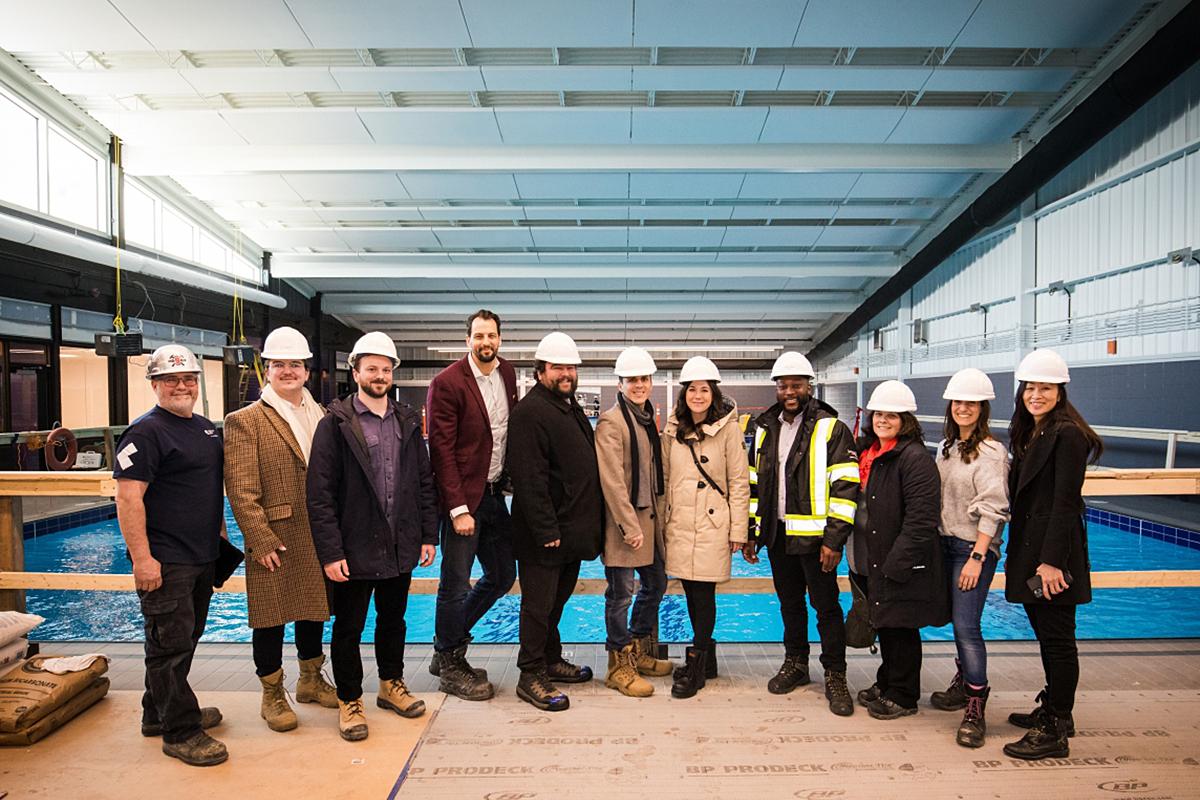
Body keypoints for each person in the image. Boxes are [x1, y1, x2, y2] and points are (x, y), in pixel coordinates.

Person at [306, 331, 439, 741]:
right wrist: (331, 552)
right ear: (356, 371)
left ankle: (390, 685)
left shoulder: (407, 421)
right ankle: (349, 699)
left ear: (392, 373)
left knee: (393, 621)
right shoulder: (335, 425)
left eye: (385, 369)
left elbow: (423, 482)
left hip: (399, 543)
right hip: (354, 545)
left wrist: (427, 535)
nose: (379, 375)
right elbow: (320, 493)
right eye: (372, 368)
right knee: (348, 628)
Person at [113, 344, 228, 767]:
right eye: (171, 379)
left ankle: (155, 713)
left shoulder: (204, 428)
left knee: (183, 638)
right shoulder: (146, 433)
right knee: (169, 646)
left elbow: (207, 488)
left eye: (189, 379)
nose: (182, 386)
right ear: (156, 384)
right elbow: (128, 499)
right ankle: (180, 731)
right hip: (166, 559)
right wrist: (143, 560)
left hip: (200, 556)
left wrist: (219, 537)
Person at [224, 326, 338, 733]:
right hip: (276, 533)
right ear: (266, 371)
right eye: (279, 365)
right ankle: (272, 693)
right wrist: (259, 539)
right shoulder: (245, 421)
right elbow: (240, 487)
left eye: (295, 364)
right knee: (270, 616)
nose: (288, 371)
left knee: (313, 609)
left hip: (319, 531)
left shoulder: (323, 415)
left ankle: (310, 680)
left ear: (306, 371)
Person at [744, 351, 858, 716]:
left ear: (809, 386)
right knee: (789, 605)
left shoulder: (831, 428)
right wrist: (752, 531)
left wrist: (833, 540)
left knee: (826, 609)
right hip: (778, 536)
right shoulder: (765, 429)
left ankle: (835, 675)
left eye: (796, 384)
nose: (789, 391)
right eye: (783, 385)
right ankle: (796, 663)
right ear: (777, 389)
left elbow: (845, 487)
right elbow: (753, 484)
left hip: (816, 541)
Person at [1003, 348, 1102, 760]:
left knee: (1059, 640)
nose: (1036, 395)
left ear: (1060, 392)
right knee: (1048, 636)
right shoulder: (1033, 432)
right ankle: (1056, 709)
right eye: (1030, 387)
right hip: (1033, 549)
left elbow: (1065, 503)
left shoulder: (1068, 435)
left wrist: (1051, 562)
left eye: (1045, 388)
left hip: (1051, 557)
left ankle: (1056, 727)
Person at [506, 331, 604, 711]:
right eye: (558, 367)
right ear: (541, 370)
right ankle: (530, 674)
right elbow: (528, 478)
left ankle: (549, 657)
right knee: (538, 605)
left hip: (570, 533)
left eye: (570, 367)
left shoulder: (567, 406)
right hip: (544, 535)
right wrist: (546, 530)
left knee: (556, 603)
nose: (566, 373)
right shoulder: (530, 413)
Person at [426, 309, 518, 701]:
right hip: (464, 500)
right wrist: (458, 508)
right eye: (479, 336)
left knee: (502, 575)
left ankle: (446, 644)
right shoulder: (447, 383)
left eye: (492, 335)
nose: (486, 342)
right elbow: (441, 450)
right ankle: (450, 661)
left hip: (496, 494)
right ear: (468, 340)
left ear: (500, 339)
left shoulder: (508, 374)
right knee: (454, 584)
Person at [850, 380, 947, 720]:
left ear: (906, 420)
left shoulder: (914, 458)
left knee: (901, 627)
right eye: (879, 414)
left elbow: (922, 518)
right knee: (886, 623)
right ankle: (887, 681)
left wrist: (898, 561)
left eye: (892, 416)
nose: (883, 420)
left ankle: (904, 695)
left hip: (895, 559)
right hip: (869, 557)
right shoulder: (870, 453)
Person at [662, 356, 750, 699]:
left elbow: (739, 482)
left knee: (704, 594)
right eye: (692, 389)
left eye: (704, 389)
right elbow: (666, 480)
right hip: (681, 522)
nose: (697, 396)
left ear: (714, 393)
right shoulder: (672, 429)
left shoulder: (729, 429)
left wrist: (738, 532)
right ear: (683, 393)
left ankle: (696, 665)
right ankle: (705, 659)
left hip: (713, 522)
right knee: (690, 594)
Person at [931, 368, 1009, 748]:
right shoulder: (946, 449)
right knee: (953, 622)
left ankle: (976, 704)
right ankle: (963, 684)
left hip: (971, 549)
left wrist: (978, 556)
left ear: (983, 408)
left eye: (971, 403)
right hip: (944, 546)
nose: (964, 408)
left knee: (967, 627)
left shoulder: (992, 452)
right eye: (958, 402)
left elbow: (994, 508)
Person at [596, 346, 674, 698]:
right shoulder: (613, 422)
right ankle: (619, 666)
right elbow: (611, 480)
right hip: (623, 527)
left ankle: (639, 652)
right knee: (620, 596)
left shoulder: (647, 419)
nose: (639, 385)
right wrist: (629, 526)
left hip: (650, 523)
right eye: (633, 380)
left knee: (656, 584)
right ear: (621, 382)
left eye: (644, 379)